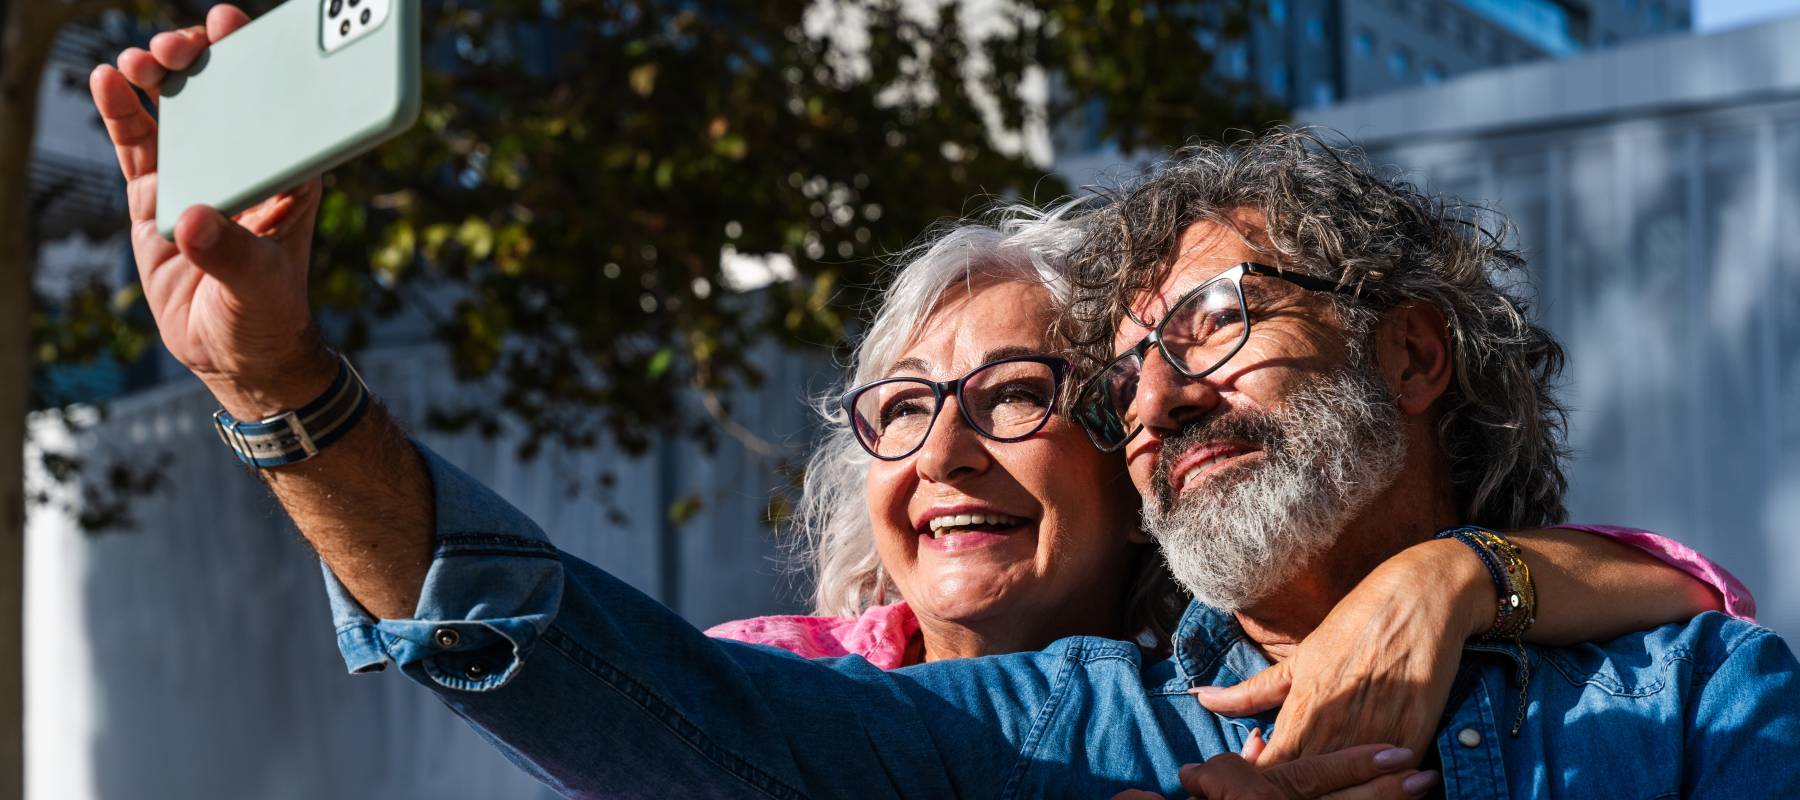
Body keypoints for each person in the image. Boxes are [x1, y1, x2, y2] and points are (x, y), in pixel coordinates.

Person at [91, 9, 1796, 797]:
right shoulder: (1051, 733)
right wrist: (282, 392)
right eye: (1129, 366)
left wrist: (1473, 577)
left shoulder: (1699, 694)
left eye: (1210, 320)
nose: (1163, 392)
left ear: (1411, 357)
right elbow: (592, 675)